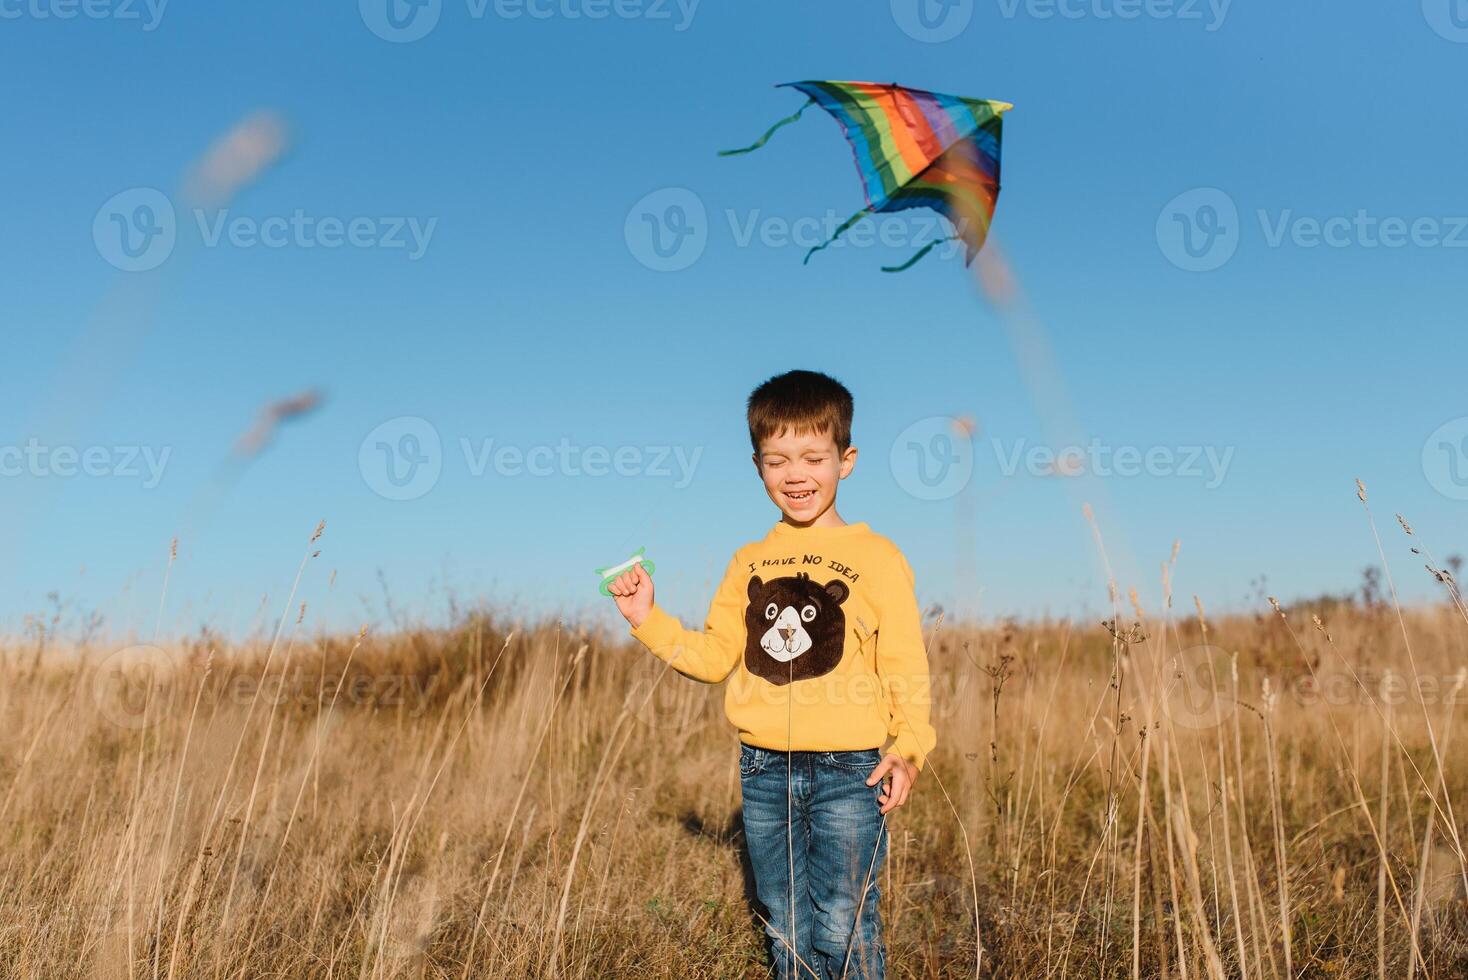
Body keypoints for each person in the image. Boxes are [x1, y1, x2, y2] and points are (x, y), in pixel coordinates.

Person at [606, 369, 937, 979]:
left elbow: (904, 664)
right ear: (757, 466)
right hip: (764, 770)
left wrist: (909, 747)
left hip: (851, 769)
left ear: (847, 460)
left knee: (844, 918)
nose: (796, 474)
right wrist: (647, 618)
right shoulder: (747, 562)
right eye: (777, 460)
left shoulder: (878, 557)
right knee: (783, 916)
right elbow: (713, 657)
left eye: (814, 456)